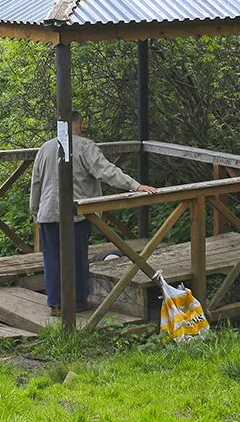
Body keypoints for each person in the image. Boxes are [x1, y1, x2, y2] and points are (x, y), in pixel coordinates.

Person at [30, 111, 157, 316]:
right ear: (78, 125)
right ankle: (78, 302)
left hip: (47, 213)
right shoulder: (84, 146)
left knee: (52, 259)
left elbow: (36, 183)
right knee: (78, 258)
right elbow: (106, 170)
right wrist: (135, 185)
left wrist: (35, 211)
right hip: (76, 213)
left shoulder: (45, 148)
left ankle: (55, 303)